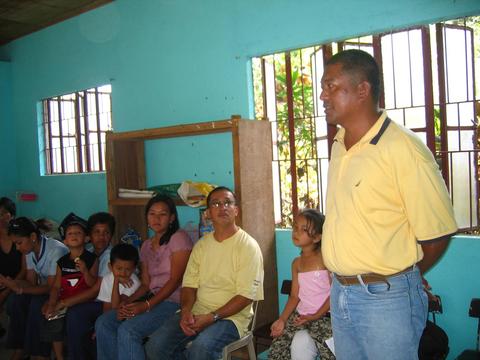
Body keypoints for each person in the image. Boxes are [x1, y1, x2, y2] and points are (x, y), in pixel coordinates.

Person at [320, 49, 458, 360]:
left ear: (362, 90)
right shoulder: (340, 145)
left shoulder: (403, 149)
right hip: (341, 293)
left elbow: (437, 235)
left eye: (331, 86)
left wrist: (403, 277)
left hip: (385, 298)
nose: (322, 96)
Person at [145, 186, 264, 360]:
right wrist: (186, 311)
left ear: (236, 210)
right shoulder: (202, 245)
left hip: (231, 319)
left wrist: (212, 317)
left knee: (201, 349)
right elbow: (189, 285)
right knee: (155, 346)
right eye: (216, 204)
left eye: (227, 203)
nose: (222, 207)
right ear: (208, 213)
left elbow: (246, 296)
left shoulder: (248, 247)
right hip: (197, 312)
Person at [95, 195, 193, 360]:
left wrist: (146, 306)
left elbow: (175, 280)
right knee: (104, 322)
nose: (156, 218)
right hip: (153, 299)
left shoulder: (179, 238)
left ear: (172, 218)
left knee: (129, 330)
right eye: (152, 214)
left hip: (175, 302)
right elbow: (146, 284)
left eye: (162, 214)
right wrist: (129, 302)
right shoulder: (146, 245)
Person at [268, 209, 334, 360]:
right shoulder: (296, 263)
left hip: (324, 317)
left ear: (317, 237)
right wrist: (282, 319)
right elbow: (294, 296)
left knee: (331, 351)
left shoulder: (326, 259)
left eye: (303, 229)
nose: (296, 232)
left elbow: (334, 293)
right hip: (300, 316)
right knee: (277, 349)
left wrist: (316, 315)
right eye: (295, 227)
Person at [2, 217, 68, 360]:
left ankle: (39, 353)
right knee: (15, 300)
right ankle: (20, 348)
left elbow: (51, 288)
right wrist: (13, 283)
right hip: (46, 289)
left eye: (19, 243)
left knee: (36, 304)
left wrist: (19, 288)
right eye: (15, 244)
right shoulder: (29, 251)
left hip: (63, 293)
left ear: (32, 237)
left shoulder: (55, 250)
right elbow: (31, 282)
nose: (18, 248)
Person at [57, 212, 117, 360]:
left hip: (105, 303)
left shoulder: (110, 256)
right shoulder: (87, 252)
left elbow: (96, 289)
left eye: (106, 233)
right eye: (97, 232)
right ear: (89, 235)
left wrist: (65, 302)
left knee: (75, 312)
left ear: (111, 236)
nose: (101, 237)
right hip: (88, 299)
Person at [42, 213, 98, 360]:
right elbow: (55, 287)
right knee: (53, 318)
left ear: (86, 238)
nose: (74, 235)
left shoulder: (92, 259)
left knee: (74, 317)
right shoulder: (61, 262)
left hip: (83, 302)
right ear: (65, 241)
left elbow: (93, 285)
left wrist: (85, 270)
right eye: (70, 233)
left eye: (78, 233)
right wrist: (52, 303)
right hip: (63, 301)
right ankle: (60, 357)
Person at [0, 197, 25, 338]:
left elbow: (24, 270)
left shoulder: (20, 237)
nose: (1, 217)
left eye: (4, 213)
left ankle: (20, 344)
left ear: (12, 215)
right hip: (2, 281)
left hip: (18, 281)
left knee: (14, 302)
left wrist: (6, 291)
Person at [96, 243, 141, 310]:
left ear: (134, 269)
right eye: (119, 268)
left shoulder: (133, 282)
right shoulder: (106, 279)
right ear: (110, 267)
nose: (123, 273)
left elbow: (116, 306)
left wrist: (116, 281)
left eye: (128, 269)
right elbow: (106, 307)